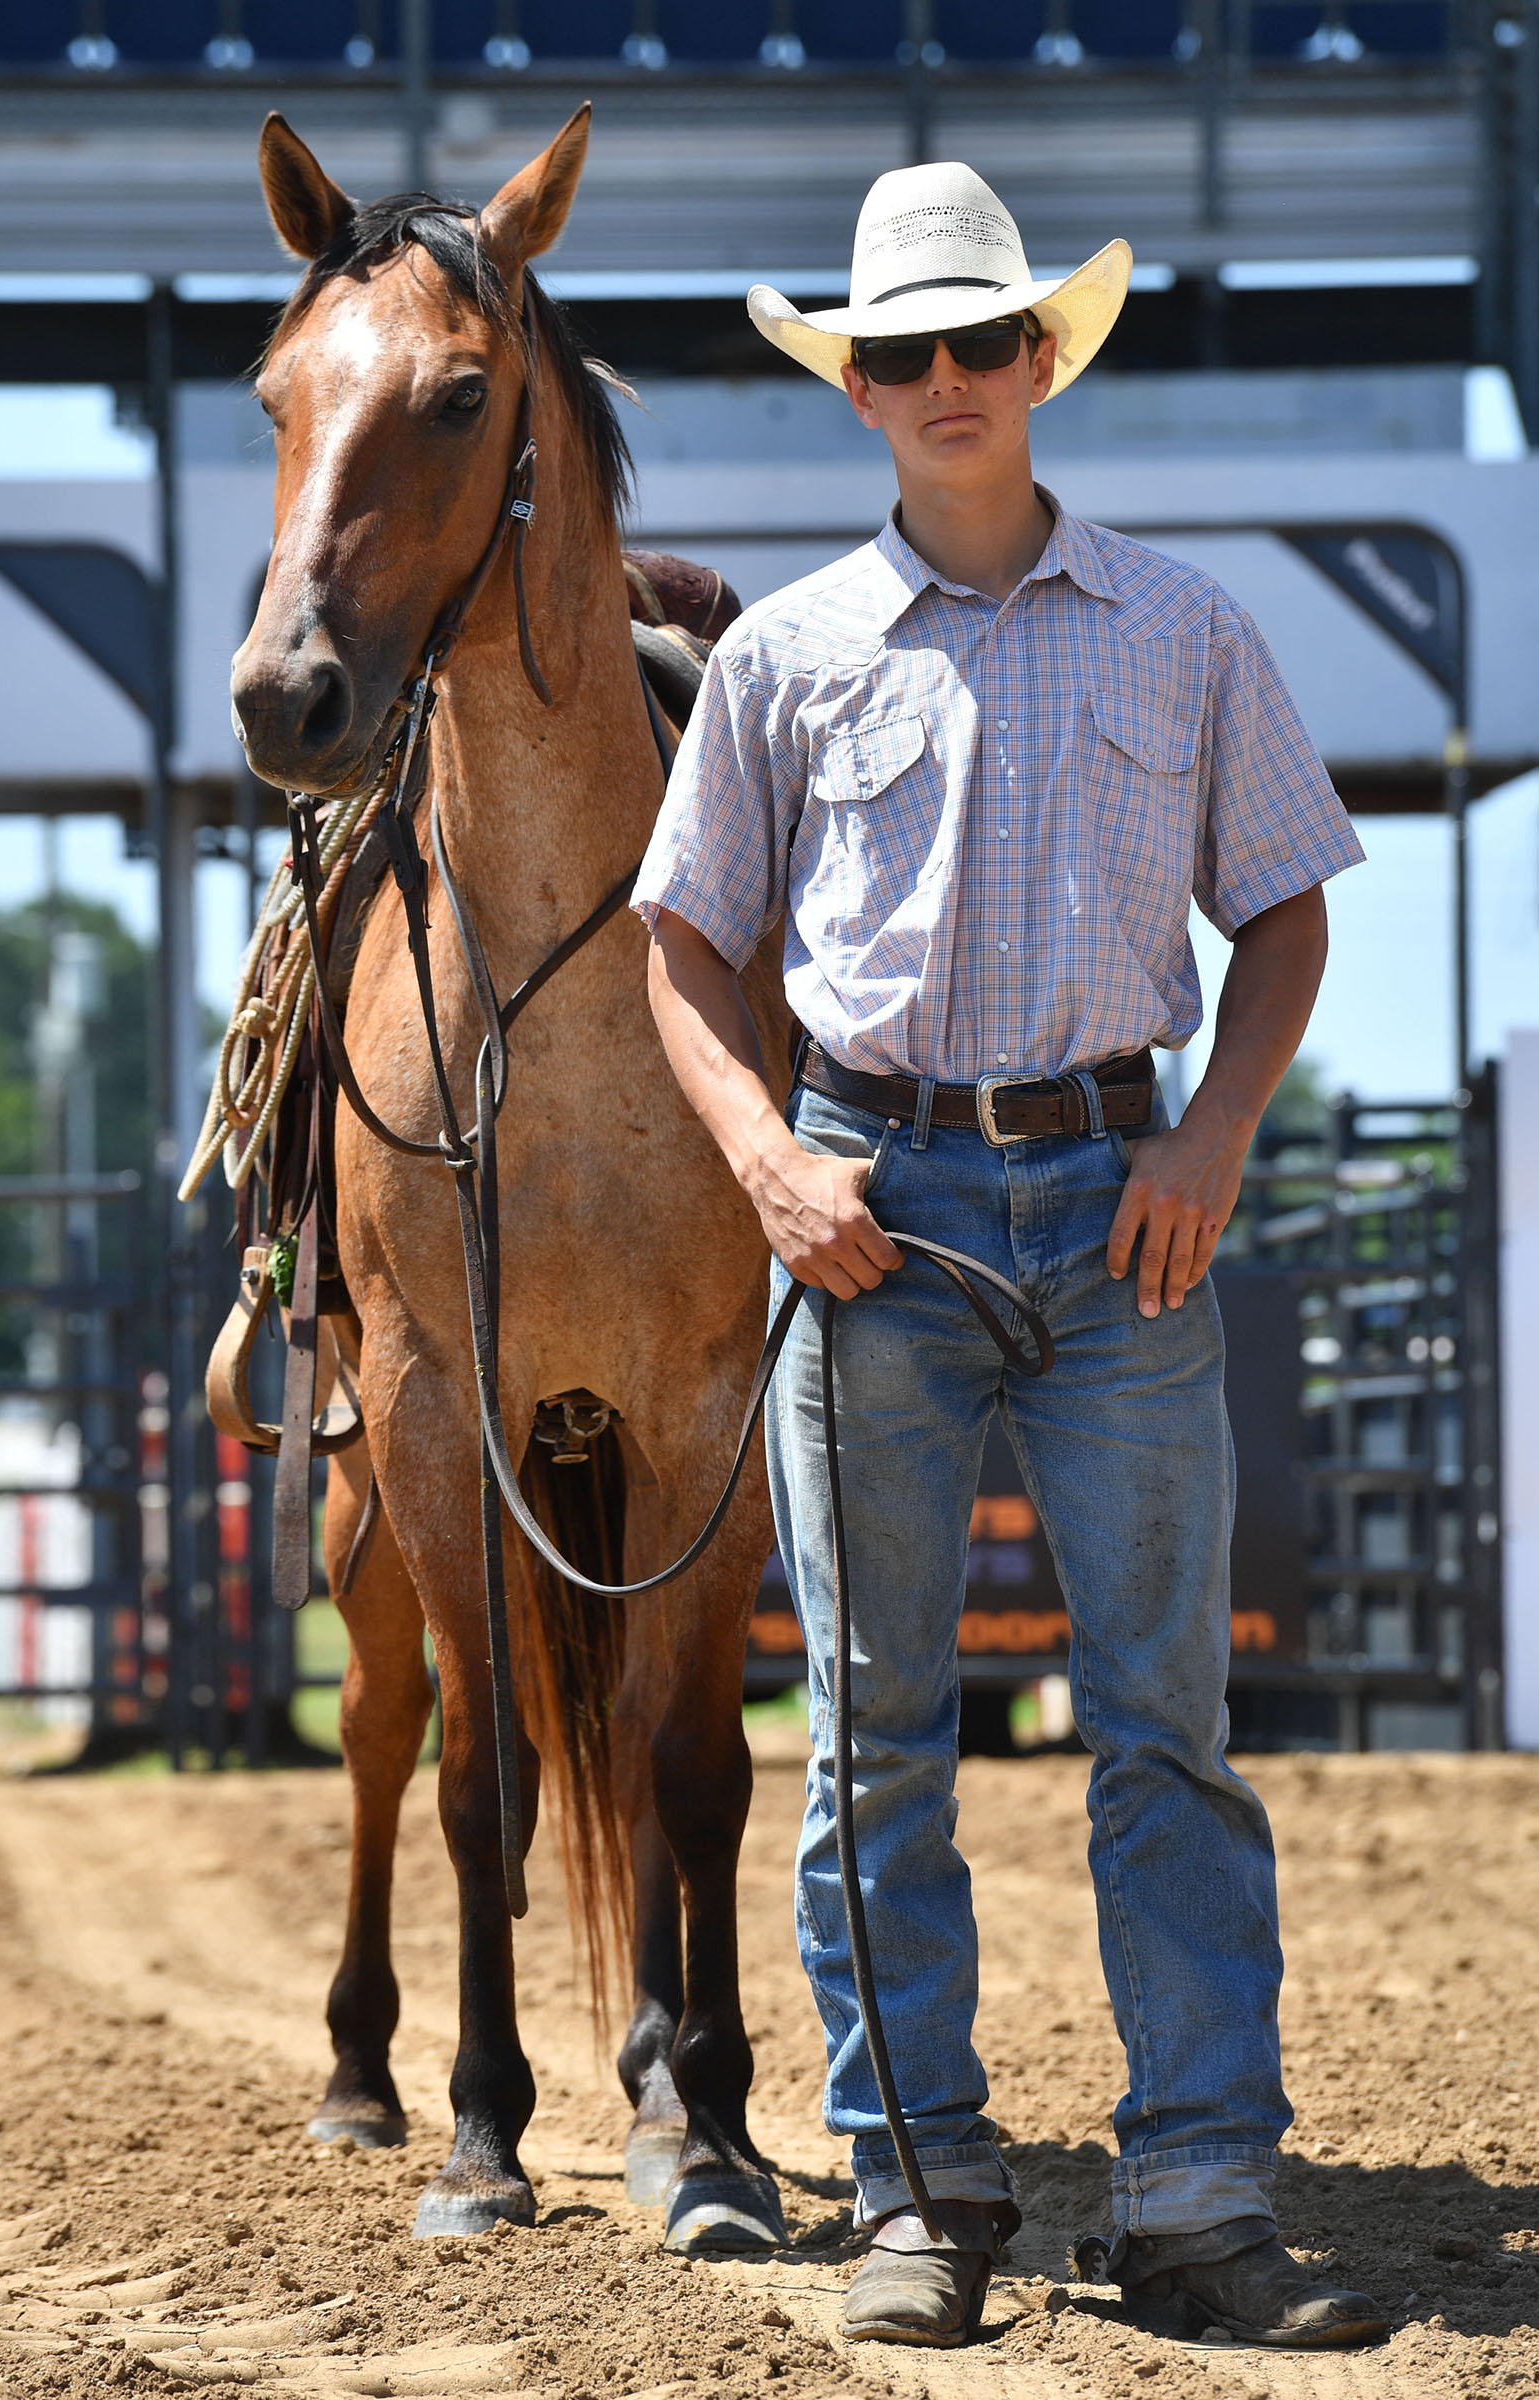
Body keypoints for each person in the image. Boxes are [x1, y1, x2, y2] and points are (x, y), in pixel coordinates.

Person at [631, 161, 1387, 2352]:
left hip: (1125, 1204)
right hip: (871, 1216)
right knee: (877, 1738)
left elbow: (1290, 909)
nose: (946, 380)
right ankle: (921, 2189)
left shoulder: (1187, 626)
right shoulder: (777, 660)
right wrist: (774, 1166)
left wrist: (1220, 1135)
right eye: (902, 353)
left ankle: (1198, 2198)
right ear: (858, 391)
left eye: (981, 342)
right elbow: (686, 955)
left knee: (1167, 1722)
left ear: (1041, 360)